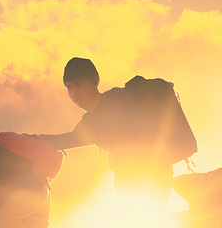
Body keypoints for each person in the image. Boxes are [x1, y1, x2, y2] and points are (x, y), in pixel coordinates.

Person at [37, 57, 174, 198]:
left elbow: (141, 134)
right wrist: (34, 139)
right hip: (131, 180)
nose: (74, 93)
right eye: (69, 88)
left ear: (95, 81)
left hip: (152, 175)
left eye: (78, 84)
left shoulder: (116, 98)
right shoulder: (90, 120)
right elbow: (70, 139)